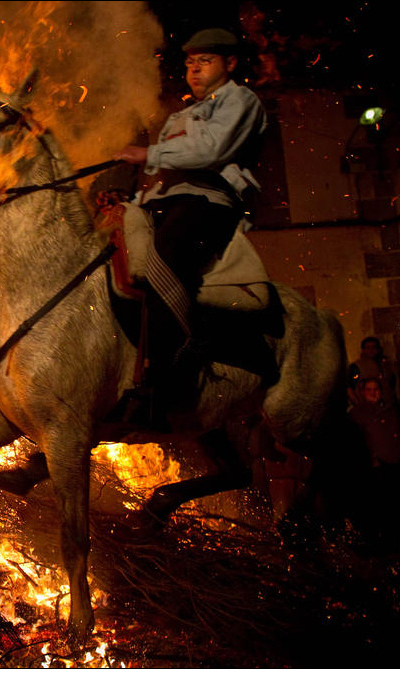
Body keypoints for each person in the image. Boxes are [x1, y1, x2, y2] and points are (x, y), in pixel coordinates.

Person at [113, 27, 267, 414]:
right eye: (189, 63)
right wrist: (128, 200)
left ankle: (181, 358)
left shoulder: (241, 101)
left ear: (229, 64)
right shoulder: (180, 116)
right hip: (164, 203)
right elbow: (158, 173)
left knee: (162, 256)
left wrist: (148, 154)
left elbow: (210, 151)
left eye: (205, 61)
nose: (194, 70)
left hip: (209, 201)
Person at [348, 378, 400, 550]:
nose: (372, 393)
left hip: (393, 464)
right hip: (371, 469)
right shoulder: (356, 414)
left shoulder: (391, 411)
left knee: (393, 507)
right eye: (368, 389)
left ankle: (393, 542)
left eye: (376, 389)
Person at [347, 336, 397, 406]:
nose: (371, 350)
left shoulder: (386, 365)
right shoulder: (357, 366)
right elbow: (349, 388)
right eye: (368, 348)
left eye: (374, 347)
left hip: (387, 406)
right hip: (366, 408)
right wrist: (358, 405)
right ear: (363, 350)